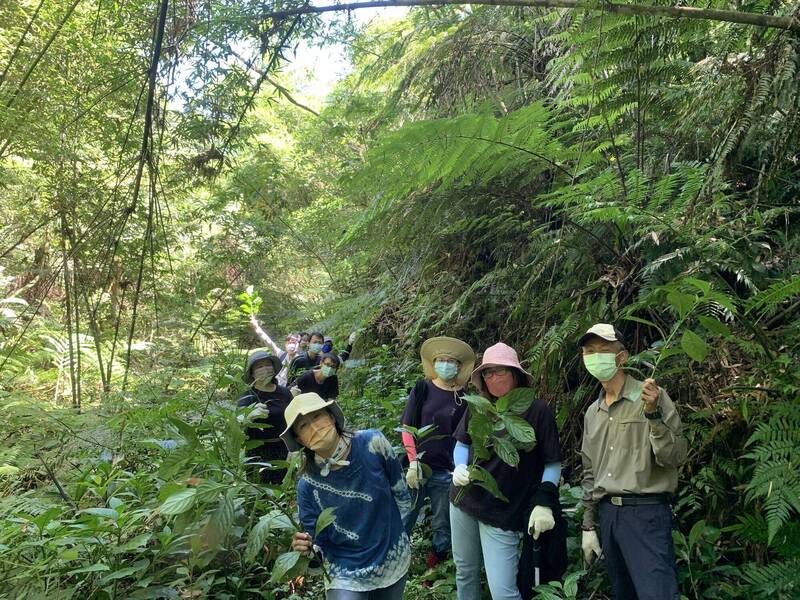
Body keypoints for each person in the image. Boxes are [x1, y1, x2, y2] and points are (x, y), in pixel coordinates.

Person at [578, 324, 687, 600]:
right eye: (590, 351)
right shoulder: (593, 412)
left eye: (604, 351)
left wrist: (652, 415)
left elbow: (674, 457)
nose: (596, 357)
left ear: (622, 357)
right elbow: (590, 470)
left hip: (645, 513)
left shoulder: (651, 396)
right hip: (609, 516)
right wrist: (588, 525)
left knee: (657, 594)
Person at [449, 342, 564, 600]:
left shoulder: (537, 411)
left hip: (504, 510)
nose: (493, 378)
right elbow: (461, 443)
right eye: (488, 373)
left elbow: (552, 463)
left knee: (503, 590)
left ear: (516, 374)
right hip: (463, 501)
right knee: (465, 572)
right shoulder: (478, 406)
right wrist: (459, 466)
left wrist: (544, 501)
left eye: (500, 371)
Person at [284, 393, 411, 599]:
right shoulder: (307, 486)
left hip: (391, 556)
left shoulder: (373, 443)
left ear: (331, 416)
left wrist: (399, 537)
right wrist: (305, 547)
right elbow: (317, 541)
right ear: (299, 440)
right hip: (344, 569)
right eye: (303, 426)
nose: (314, 428)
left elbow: (401, 494)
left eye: (316, 417)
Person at [400, 336, 475, 568]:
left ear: (459, 366)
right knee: (404, 516)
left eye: (450, 361)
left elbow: (466, 438)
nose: (445, 364)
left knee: (443, 523)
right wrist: (412, 462)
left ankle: (436, 565)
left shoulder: (465, 398)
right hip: (418, 466)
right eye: (441, 360)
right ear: (433, 363)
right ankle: (394, 558)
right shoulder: (422, 389)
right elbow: (406, 428)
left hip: (446, 471)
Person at [237, 350, 293, 484]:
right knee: (259, 494)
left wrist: (295, 448)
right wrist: (247, 416)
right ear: (252, 372)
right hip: (257, 452)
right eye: (259, 366)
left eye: (268, 364)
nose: (265, 369)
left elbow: (294, 421)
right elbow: (236, 422)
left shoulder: (284, 393)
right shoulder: (248, 395)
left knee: (281, 491)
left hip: (283, 449)